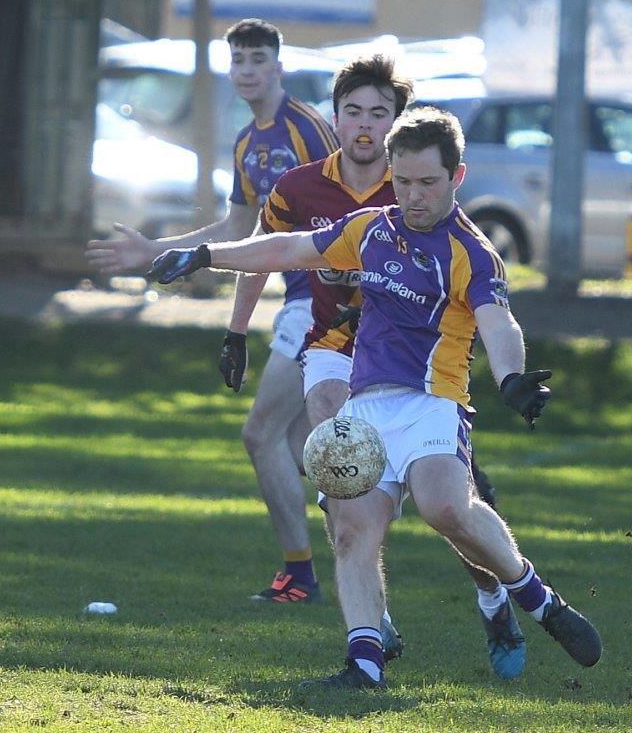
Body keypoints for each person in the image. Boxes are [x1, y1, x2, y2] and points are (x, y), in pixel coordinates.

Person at [147, 106, 603, 689]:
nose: (415, 195)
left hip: (433, 402)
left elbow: (499, 322)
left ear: (456, 177)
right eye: (405, 181)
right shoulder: (371, 229)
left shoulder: (471, 250)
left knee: (445, 507)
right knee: (352, 529)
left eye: (429, 183)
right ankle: (365, 663)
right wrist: (206, 255)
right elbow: (288, 249)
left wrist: (510, 377)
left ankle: (537, 598)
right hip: (366, 409)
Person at [221, 55, 522, 678]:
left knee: (453, 504)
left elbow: (489, 307)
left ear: (397, 125)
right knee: (339, 461)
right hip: (336, 345)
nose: (365, 125)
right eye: (353, 111)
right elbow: (270, 248)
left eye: (378, 114)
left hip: (424, 367)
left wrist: (509, 370)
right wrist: (234, 326)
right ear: (335, 118)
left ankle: (493, 592)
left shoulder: (416, 184)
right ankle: (372, 630)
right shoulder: (304, 186)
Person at [85, 18, 338, 603]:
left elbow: (343, 210)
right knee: (302, 443)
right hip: (298, 301)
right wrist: (159, 252)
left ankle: (301, 575)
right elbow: (237, 230)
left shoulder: (307, 130)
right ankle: (384, 486)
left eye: (257, 60)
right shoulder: (249, 143)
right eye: (238, 61)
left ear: (277, 66)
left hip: (326, 303)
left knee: (261, 434)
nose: (247, 70)